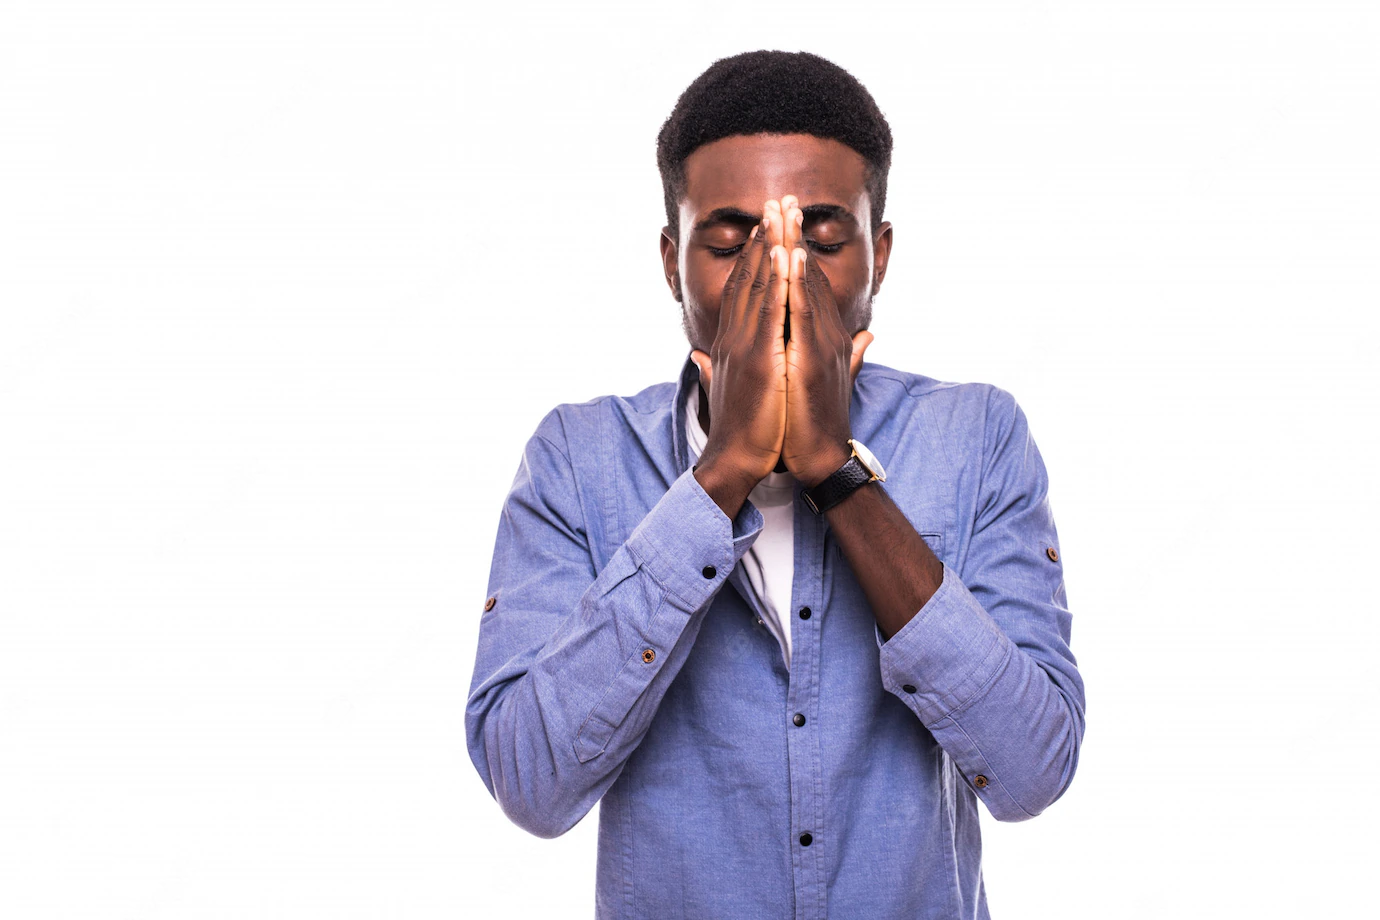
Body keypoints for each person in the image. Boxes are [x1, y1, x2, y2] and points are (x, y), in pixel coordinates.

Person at [465, 50, 1086, 919]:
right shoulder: (577, 456)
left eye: (823, 240)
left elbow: (1032, 772)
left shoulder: (978, 437)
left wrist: (836, 469)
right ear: (671, 260)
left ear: (882, 253)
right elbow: (530, 784)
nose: (781, 277)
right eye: (729, 243)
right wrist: (722, 475)